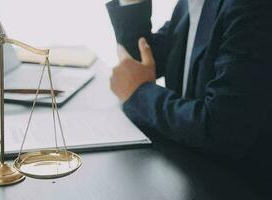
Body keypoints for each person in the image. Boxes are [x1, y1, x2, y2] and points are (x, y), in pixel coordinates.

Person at [107, 0, 272, 197]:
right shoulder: (189, 6)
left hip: (234, 186)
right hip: (187, 173)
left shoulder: (251, 7)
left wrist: (139, 93)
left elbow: (221, 129)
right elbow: (137, 65)